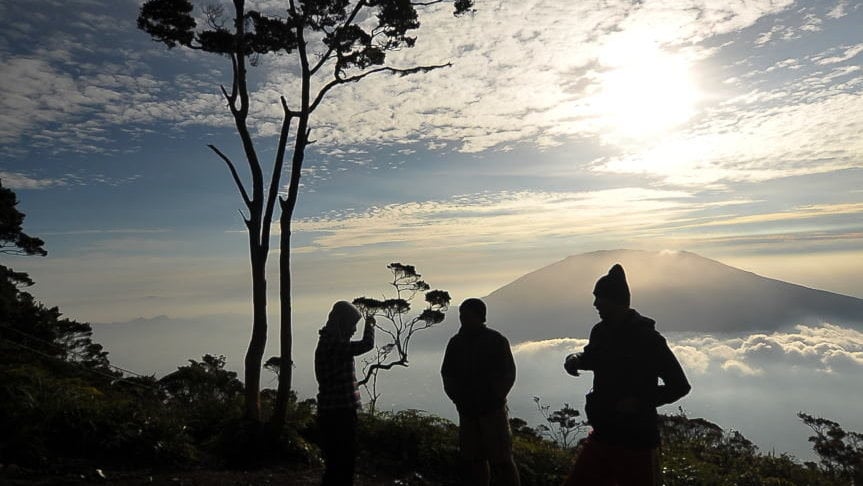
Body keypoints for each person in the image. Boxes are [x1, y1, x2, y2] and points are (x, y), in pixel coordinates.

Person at [563, 264, 691, 486]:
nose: (595, 304)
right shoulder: (601, 332)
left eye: (599, 298)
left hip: (636, 438)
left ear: (615, 301)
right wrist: (575, 360)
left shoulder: (648, 339)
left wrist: (639, 402)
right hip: (604, 431)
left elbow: (679, 385)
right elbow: (593, 357)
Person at [441, 298, 521, 486]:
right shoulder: (457, 343)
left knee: (501, 459)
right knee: (474, 459)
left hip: (491, 410)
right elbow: (447, 374)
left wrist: (494, 397)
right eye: (461, 316)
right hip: (468, 410)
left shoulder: (495, 341)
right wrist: (459, 399)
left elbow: (508, 374)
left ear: (480, 317)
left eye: (467, 316)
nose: (463, 320)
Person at [315, 301, 375, 486]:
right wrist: (370, 325)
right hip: (339, 412)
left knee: (336, 462)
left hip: (333, 410)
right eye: (352, 325)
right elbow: (367, 345)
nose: (354, 330)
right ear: (342, 323)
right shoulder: (333, 345)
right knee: (343, 460)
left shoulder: (329, 343)